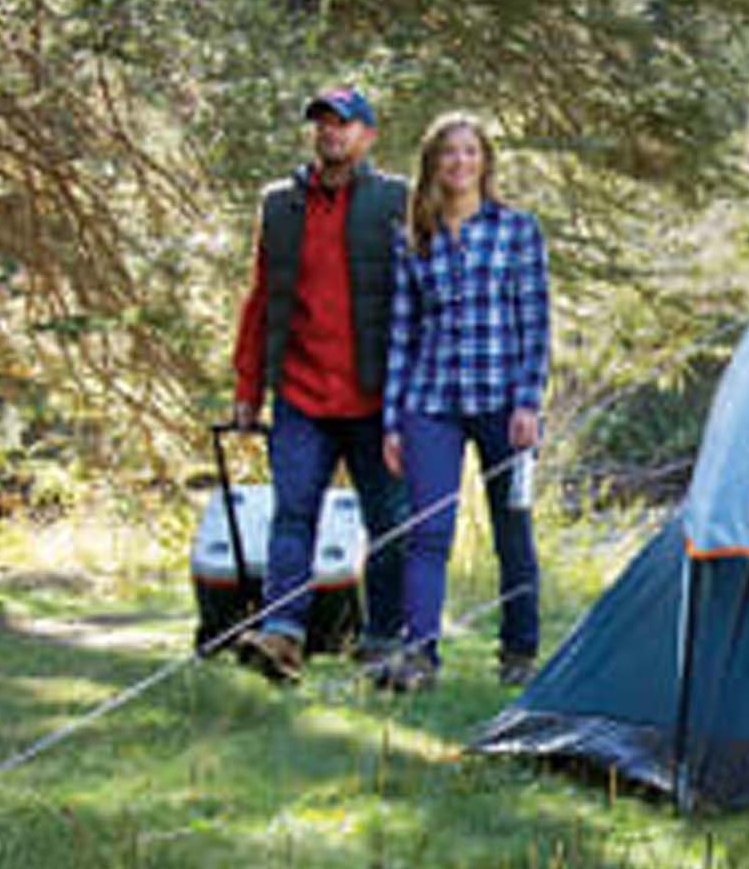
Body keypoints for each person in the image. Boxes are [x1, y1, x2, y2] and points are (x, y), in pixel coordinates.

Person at [229, 85, 412, 684]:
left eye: (344, 124)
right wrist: (247, 390)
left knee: (389, 521)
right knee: (292, 514)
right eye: (323, 124)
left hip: (374, 397)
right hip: (302, 393)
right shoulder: (280, 205)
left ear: (368, 136)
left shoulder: (396, 201)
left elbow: (422, 299)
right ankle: (282, 636)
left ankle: (384, 642)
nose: (332, 133)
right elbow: (261, 302)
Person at [372, 110, 550, 692]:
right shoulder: (415, 238)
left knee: (512, 531)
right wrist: (393, 422)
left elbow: (535, 323)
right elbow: (401, 334)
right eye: (449, 152)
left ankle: (520, 653)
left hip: (504, 402)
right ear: (433, 165)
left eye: (471, 152)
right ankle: (420, 657)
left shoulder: (517, 230)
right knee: (427, 534)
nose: (460, 162)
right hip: (431, 403)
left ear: (485, 162)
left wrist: (528, 401)